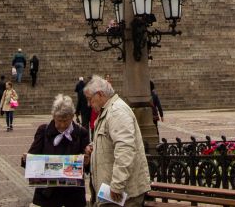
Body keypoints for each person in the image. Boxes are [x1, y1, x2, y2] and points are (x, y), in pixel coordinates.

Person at [84, 75, 150, 207]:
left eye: (90, 99)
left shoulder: (116, 111)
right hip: (110, 193)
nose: (89, 104)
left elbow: (125, 149)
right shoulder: (107, 111)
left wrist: (117, 185)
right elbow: (110, 141)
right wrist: (93, 147)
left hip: (121, 194)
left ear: (100, 94)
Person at [23, 94, 90, 207]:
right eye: (59, 120)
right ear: (53, 116)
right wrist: (26, 159)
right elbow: (33, 157)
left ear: (72, 116)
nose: (62, 125)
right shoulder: (43, 131)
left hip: (73, 195)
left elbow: (87, 167)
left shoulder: (81, 132)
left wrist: (87, 162)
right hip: (47, 194)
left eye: (66, 121)